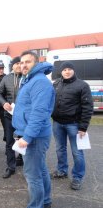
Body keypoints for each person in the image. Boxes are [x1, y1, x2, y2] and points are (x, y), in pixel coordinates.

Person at [12, 51, 55, 208]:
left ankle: (36, 205)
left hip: (35, 137)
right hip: (31, 133)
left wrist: (27, 137)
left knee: (32, 175)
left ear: (36, 63)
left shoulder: (39, 82)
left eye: (28, 62)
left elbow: (39, 112)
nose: (23, 65)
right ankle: (45, 201)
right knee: (41, 170)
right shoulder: (29, 80)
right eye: (22, 62)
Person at [51, 61, 93, 190]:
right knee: (60, 149)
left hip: (74, 125)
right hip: (57, 123)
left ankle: (77, 177)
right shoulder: (56, 84)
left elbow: (87, 107)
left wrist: (83, 127)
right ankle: (62, 170)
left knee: (77, 152)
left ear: (73, 70)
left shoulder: (82, 85)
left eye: (69, 69)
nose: (67, 71)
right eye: (64, 70)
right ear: (61, 72)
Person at [0, 56, 22, 178]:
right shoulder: (6, 78)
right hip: (9, 115)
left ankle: (22, 160)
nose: (18, 65)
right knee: (9, 141)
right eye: (16, 63)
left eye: (20, 63)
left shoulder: (28, 78)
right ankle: (10, 166)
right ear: (12, 65)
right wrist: (3, 102)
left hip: (24, 116)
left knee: (24, 140)